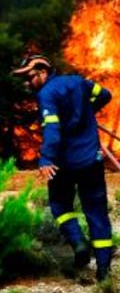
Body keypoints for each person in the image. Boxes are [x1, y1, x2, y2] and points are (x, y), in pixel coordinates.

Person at [12, 54, 114, 281]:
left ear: (42, 72)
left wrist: (46, 159)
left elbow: (52, 130)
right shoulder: (79, 81)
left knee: (59, 205)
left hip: (64, 164)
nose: (26, 83)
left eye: (29, 77)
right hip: (91, 161)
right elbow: (105, 95)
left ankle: (78, 244)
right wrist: (88, 112)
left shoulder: (46, 94)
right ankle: (104, 271)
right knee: (96, 212)